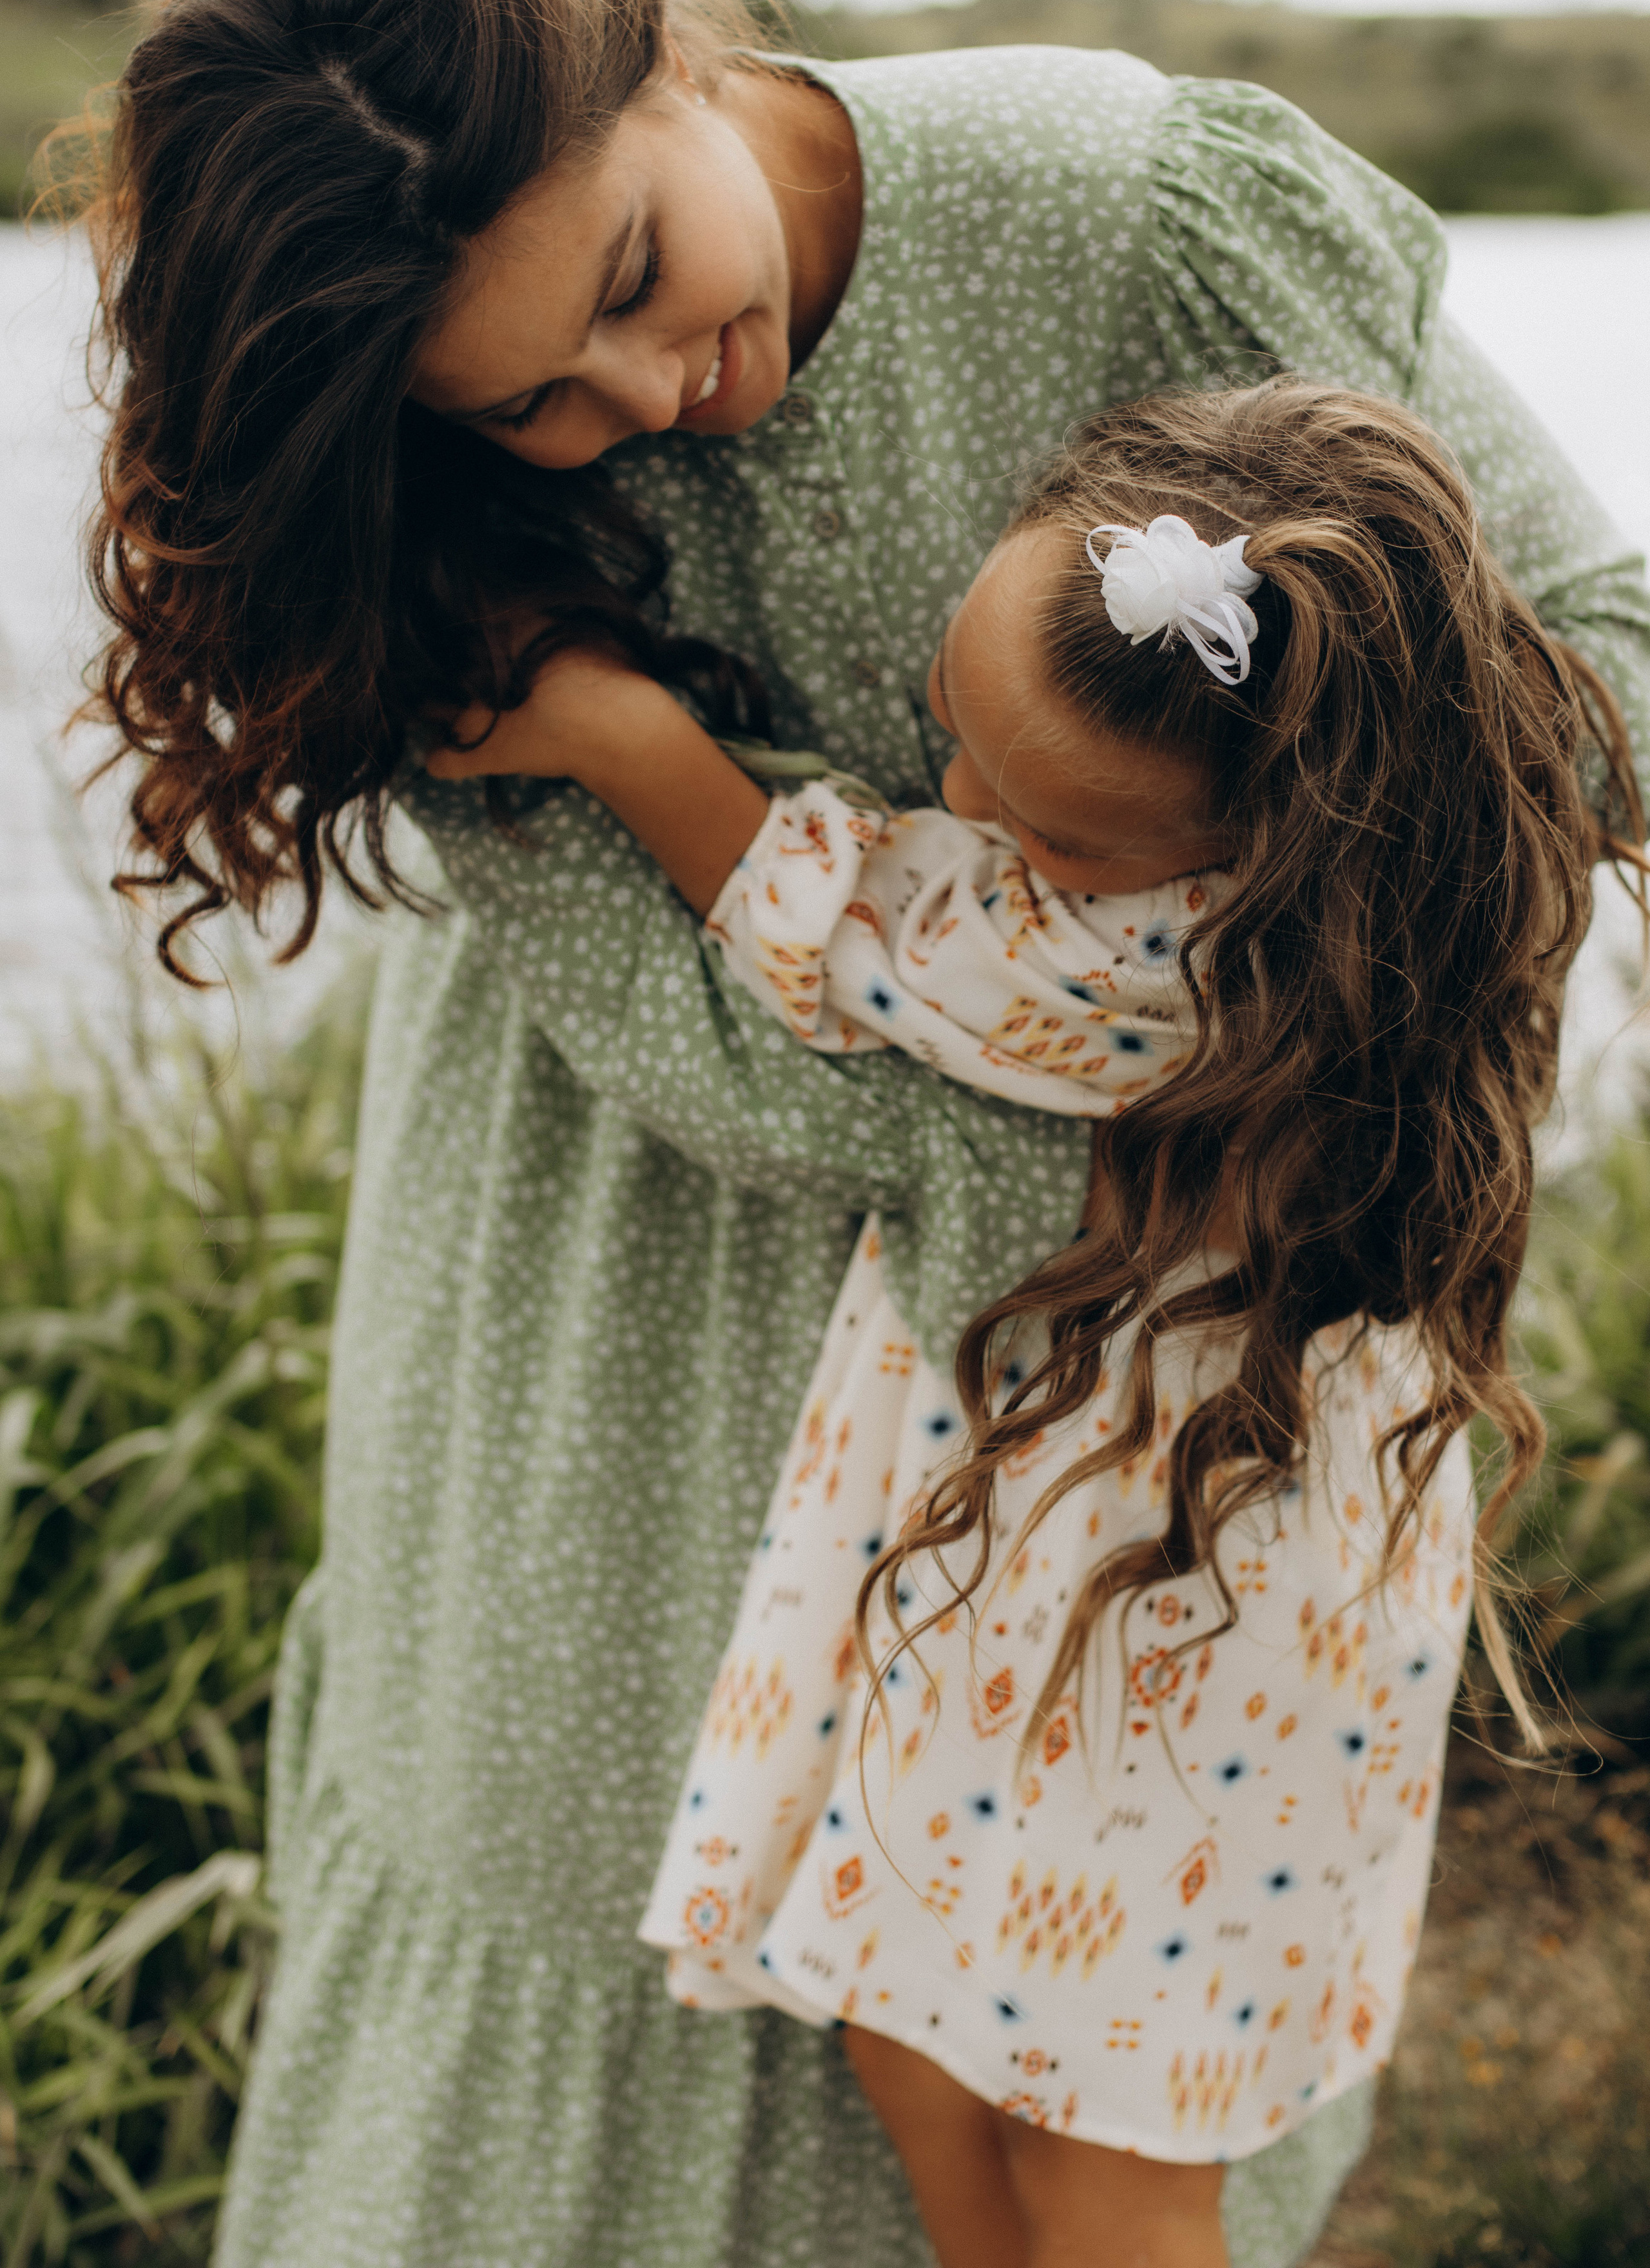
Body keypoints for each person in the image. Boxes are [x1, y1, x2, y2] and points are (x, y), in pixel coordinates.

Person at [75, 0, 1650, 2268]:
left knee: (1093, 2078)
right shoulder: (394, 503)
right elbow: (760, 1085)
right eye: (532, 407)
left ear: (665, 43)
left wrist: (1274, 946)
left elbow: (1598, 661)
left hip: (1151, 1438)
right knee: (698, 1988)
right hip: (606, 1363)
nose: (639, 395)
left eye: (631, 278)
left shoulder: (1129, 213)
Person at [423, 376, 1644, 2267]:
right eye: (952, 739)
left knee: (1105, 2146)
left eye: (1052, 838)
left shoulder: (1188, 964)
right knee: (920, 2036)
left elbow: (836, 920)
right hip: (1069, 1595)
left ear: (1269, 842)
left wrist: (611, 728)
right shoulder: (1366, 875)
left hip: (1167, 1625)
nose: (967, 814)